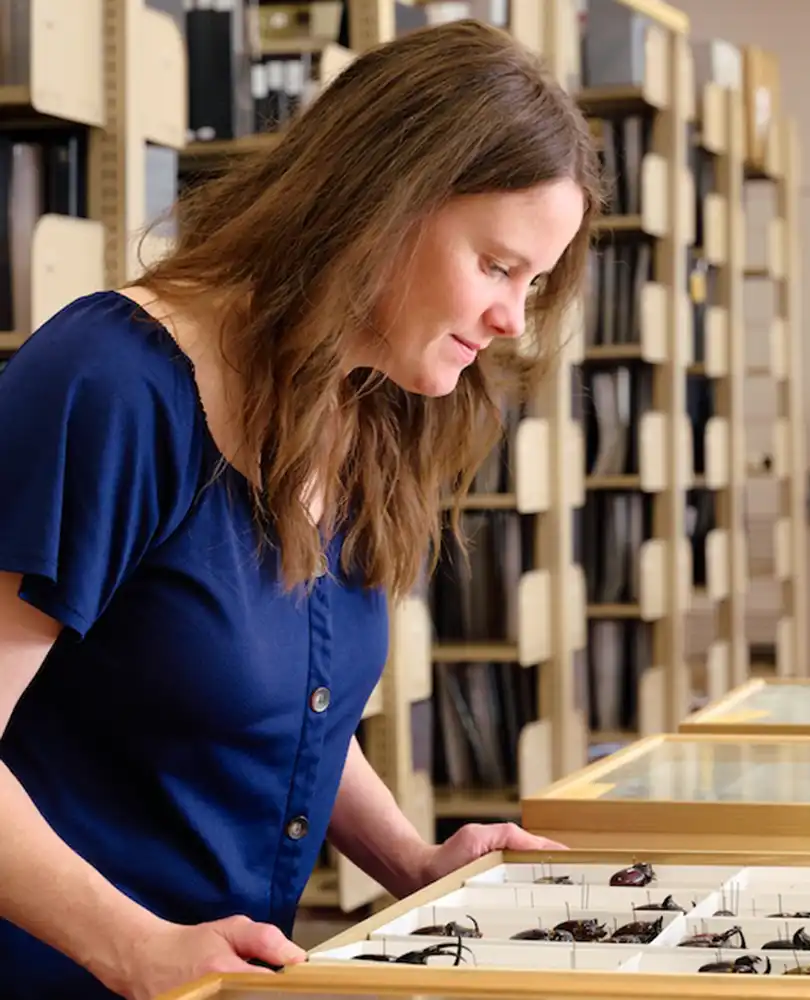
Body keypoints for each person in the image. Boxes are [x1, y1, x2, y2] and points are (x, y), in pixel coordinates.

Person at [0, 17, 601, 1000]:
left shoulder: (362, 404)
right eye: (496, 267)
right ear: (382, 204)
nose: (510, 321)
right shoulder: (110, 386)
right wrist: (134, 945)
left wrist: (409, 862)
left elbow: (284, 711)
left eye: (532, 284)